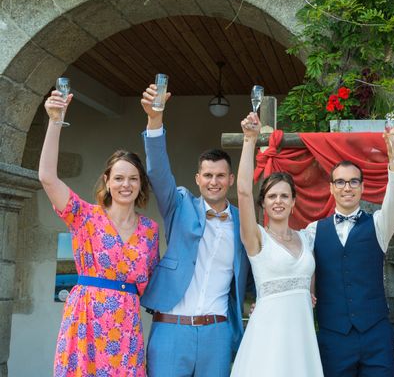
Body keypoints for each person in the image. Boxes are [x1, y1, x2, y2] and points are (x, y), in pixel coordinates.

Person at [39, 90, 159, 376]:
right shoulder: (85, 216)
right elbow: (47, 177)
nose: (125, 185)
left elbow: (153, 284)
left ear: (141, 184)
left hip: (126, 326)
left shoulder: (149, 231)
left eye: (133, 179)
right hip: (85, 319)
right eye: (118, 178)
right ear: (107, 180)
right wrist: (55, 121)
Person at [140, 84, 251, 377]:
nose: (214, 181)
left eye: (220, 176)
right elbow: (158, 173)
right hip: (170, 329)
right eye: (208, 175)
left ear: (230, 179)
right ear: (198, 179)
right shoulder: (179, 205)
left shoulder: (244, 221)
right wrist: (154, 121)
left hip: (217, 332)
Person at [307, 126, 394, 377]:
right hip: (333, 337)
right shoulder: (312, 231)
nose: (347, 187)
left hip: (376, 335)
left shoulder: (378, 225)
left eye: (353, 181)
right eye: (340, 182)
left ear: (362, 187)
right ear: (331, 188)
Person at [230, 112, 323, 376]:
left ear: (294, 202)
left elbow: (308, 276)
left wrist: (310, 292)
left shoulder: (307, 237)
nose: (278, 201)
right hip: (268, 336)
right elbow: (244, 190)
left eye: (284, 196)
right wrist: (250, 140)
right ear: (264, 203)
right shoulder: (256, 237)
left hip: (302, 334)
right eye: (271, 196)